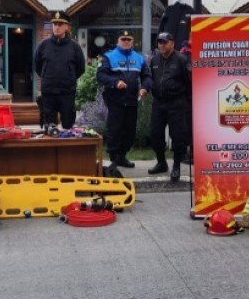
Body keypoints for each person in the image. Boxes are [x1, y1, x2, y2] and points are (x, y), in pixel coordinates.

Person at [96, 30, 151, 169]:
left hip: (132, 100)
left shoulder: (139, 58)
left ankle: (122, 156)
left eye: (128, 39)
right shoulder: (109, 57)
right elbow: (101, 75)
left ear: (132, 41)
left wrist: (145, 87)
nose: (126, 41)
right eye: (123, 39)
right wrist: (115, 82)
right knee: (114, 130)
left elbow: (147, 76)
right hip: (115, 101)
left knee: (130, 131)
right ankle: (114, 157)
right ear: (118, 41)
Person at [147, 32, 191, 182]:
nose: (162, 45)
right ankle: (161, 162)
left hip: (176, 103)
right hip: (159, 103)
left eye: (165, 42)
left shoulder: (181, 60)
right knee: (155, 134)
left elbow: (189, 83)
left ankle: (176, 166)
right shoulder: (154, 60)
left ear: (172, 43)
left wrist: (187, 103)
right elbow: (151, 79)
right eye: (159, 42)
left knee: (178, 137)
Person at [34, 11, 86, 129]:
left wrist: (69, 78)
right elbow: (37, 66)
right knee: (49, 127)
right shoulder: (43, 45)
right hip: (48, 92)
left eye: (60, 24)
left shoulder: (74, 47)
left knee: (68, 126)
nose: (56, 27)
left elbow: (80, 68)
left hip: (67, 92)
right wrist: (47, 76)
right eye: (54, 24)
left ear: (66, 27)